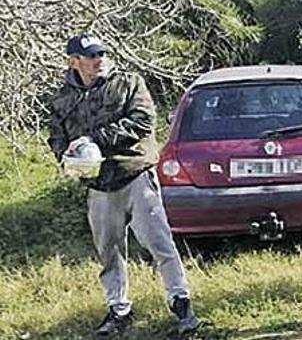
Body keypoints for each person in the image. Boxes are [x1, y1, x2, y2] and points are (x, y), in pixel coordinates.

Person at [47, 33, 199, 337]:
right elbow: (56, 135)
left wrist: (95, 141)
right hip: (98, 184)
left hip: (135, 174)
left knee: (159, 242)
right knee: (108, 251)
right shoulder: (62, 98)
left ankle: (181, 302)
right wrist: (68, 156)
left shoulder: (128, 82)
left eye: (101, 53)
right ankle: (118, 309)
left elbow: (143, 121)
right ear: (74, 61)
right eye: (91, 56)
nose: (98, 59)